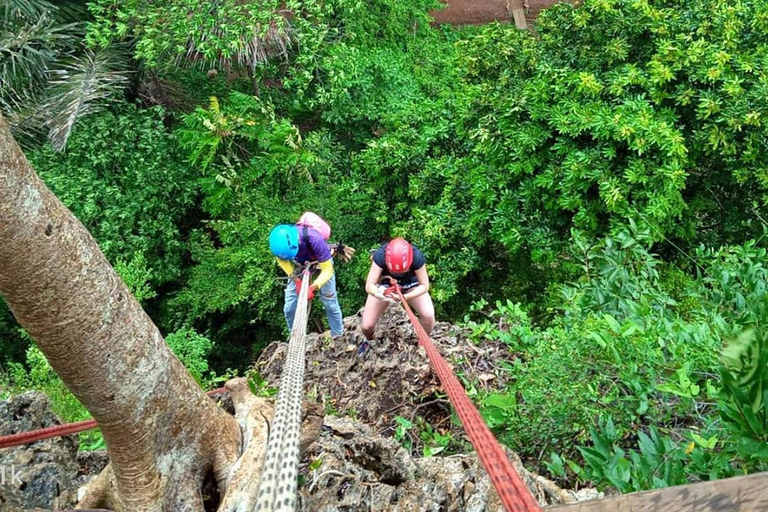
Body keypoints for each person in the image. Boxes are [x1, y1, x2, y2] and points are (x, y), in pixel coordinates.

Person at [269, 223, 344, 338]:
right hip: (299, 265)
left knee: (330, 304)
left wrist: (313, 287)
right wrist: (297, 281)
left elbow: (327, 270)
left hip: (321, 263)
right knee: (289, 308)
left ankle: (338, 336)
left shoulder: (315, 240)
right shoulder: (280, 245)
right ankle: (295, 337)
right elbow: (282, 261)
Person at [361, 237, 435, 347]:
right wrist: (379, 294)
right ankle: (369, 340)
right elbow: (369, 285)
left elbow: (424, 285)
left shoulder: (417, 257)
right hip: (385, 286)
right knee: (367, 326)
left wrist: (406, 297)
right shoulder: (380, 256)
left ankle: (423, 344)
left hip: (411, 285)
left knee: (428, 316)